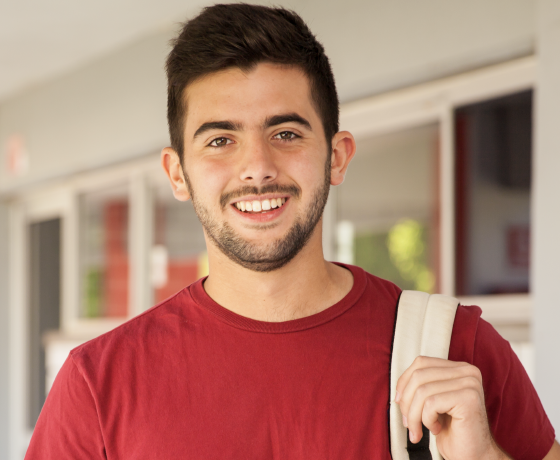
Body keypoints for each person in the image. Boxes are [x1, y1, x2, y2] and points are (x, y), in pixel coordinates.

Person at [26, 4, 559, 459]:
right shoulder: (98, 385)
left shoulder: (455, 348)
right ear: (177, 173)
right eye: (219, 140)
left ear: (337, 155)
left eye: (285, 133)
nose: (257, 167)